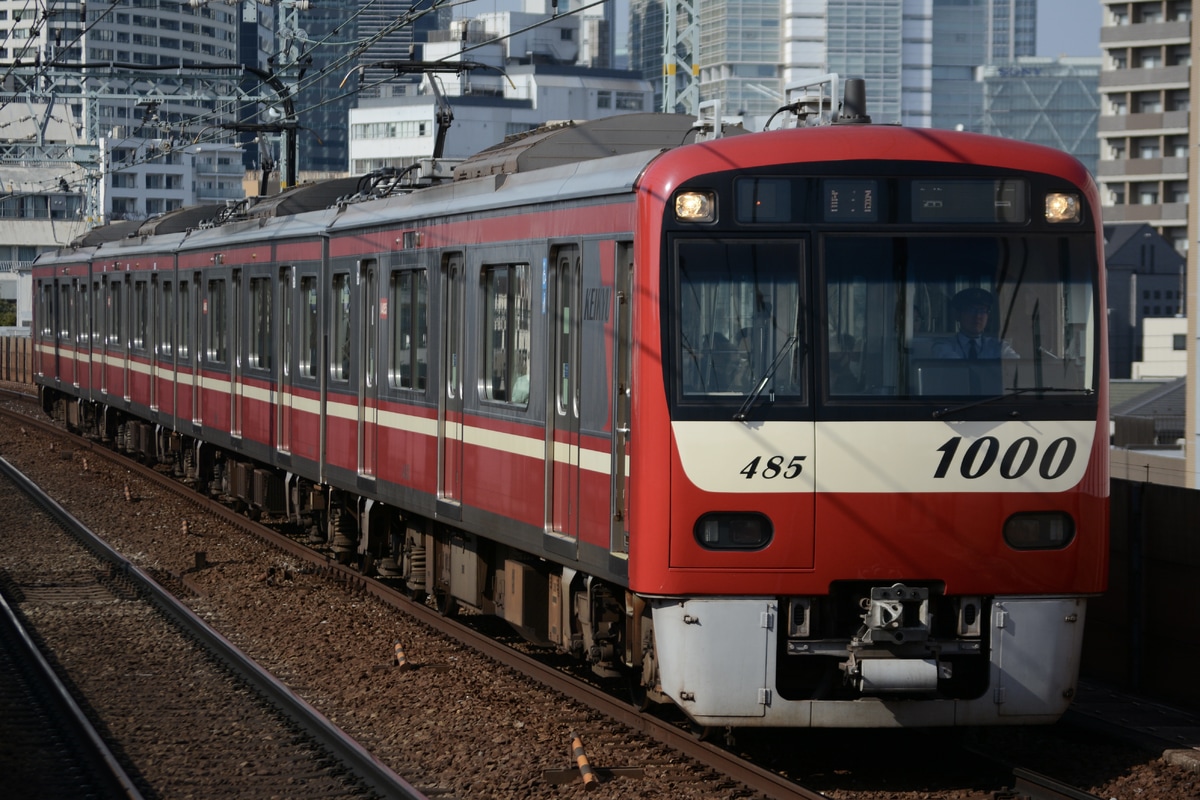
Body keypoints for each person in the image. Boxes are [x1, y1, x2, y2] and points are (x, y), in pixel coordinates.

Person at [932, 288, 1019, 359]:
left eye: (982, 310)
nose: (977, 316)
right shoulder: (944, 345)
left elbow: (1016, 365)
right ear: (958, 315)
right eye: (971, 310)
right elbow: (953, 365)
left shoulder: (998, 346)